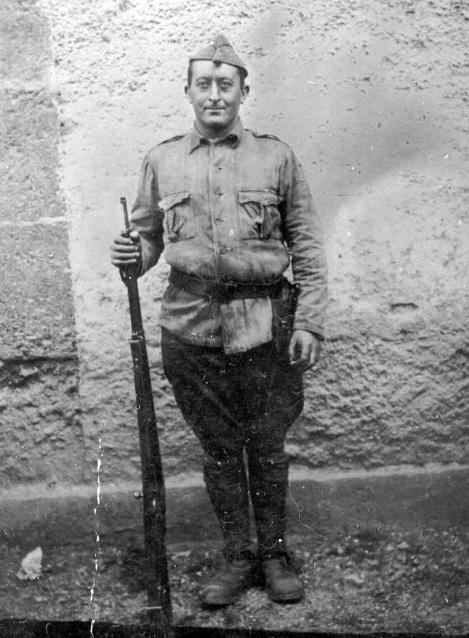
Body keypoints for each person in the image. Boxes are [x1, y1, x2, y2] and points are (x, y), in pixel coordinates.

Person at [111, 35, 327, 607]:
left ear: (242, 92)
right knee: (219, 449)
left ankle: (274, 555)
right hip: (191, 327)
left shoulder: (276, 158)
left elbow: (307, 244)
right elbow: (148, 238)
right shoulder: (162, 160)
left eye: (225, 85)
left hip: (266, 325)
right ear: (187, 91)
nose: (214, 95)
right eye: (203, 84)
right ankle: (237, 556)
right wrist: (133, 253)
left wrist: (309, 322)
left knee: (268, 446)